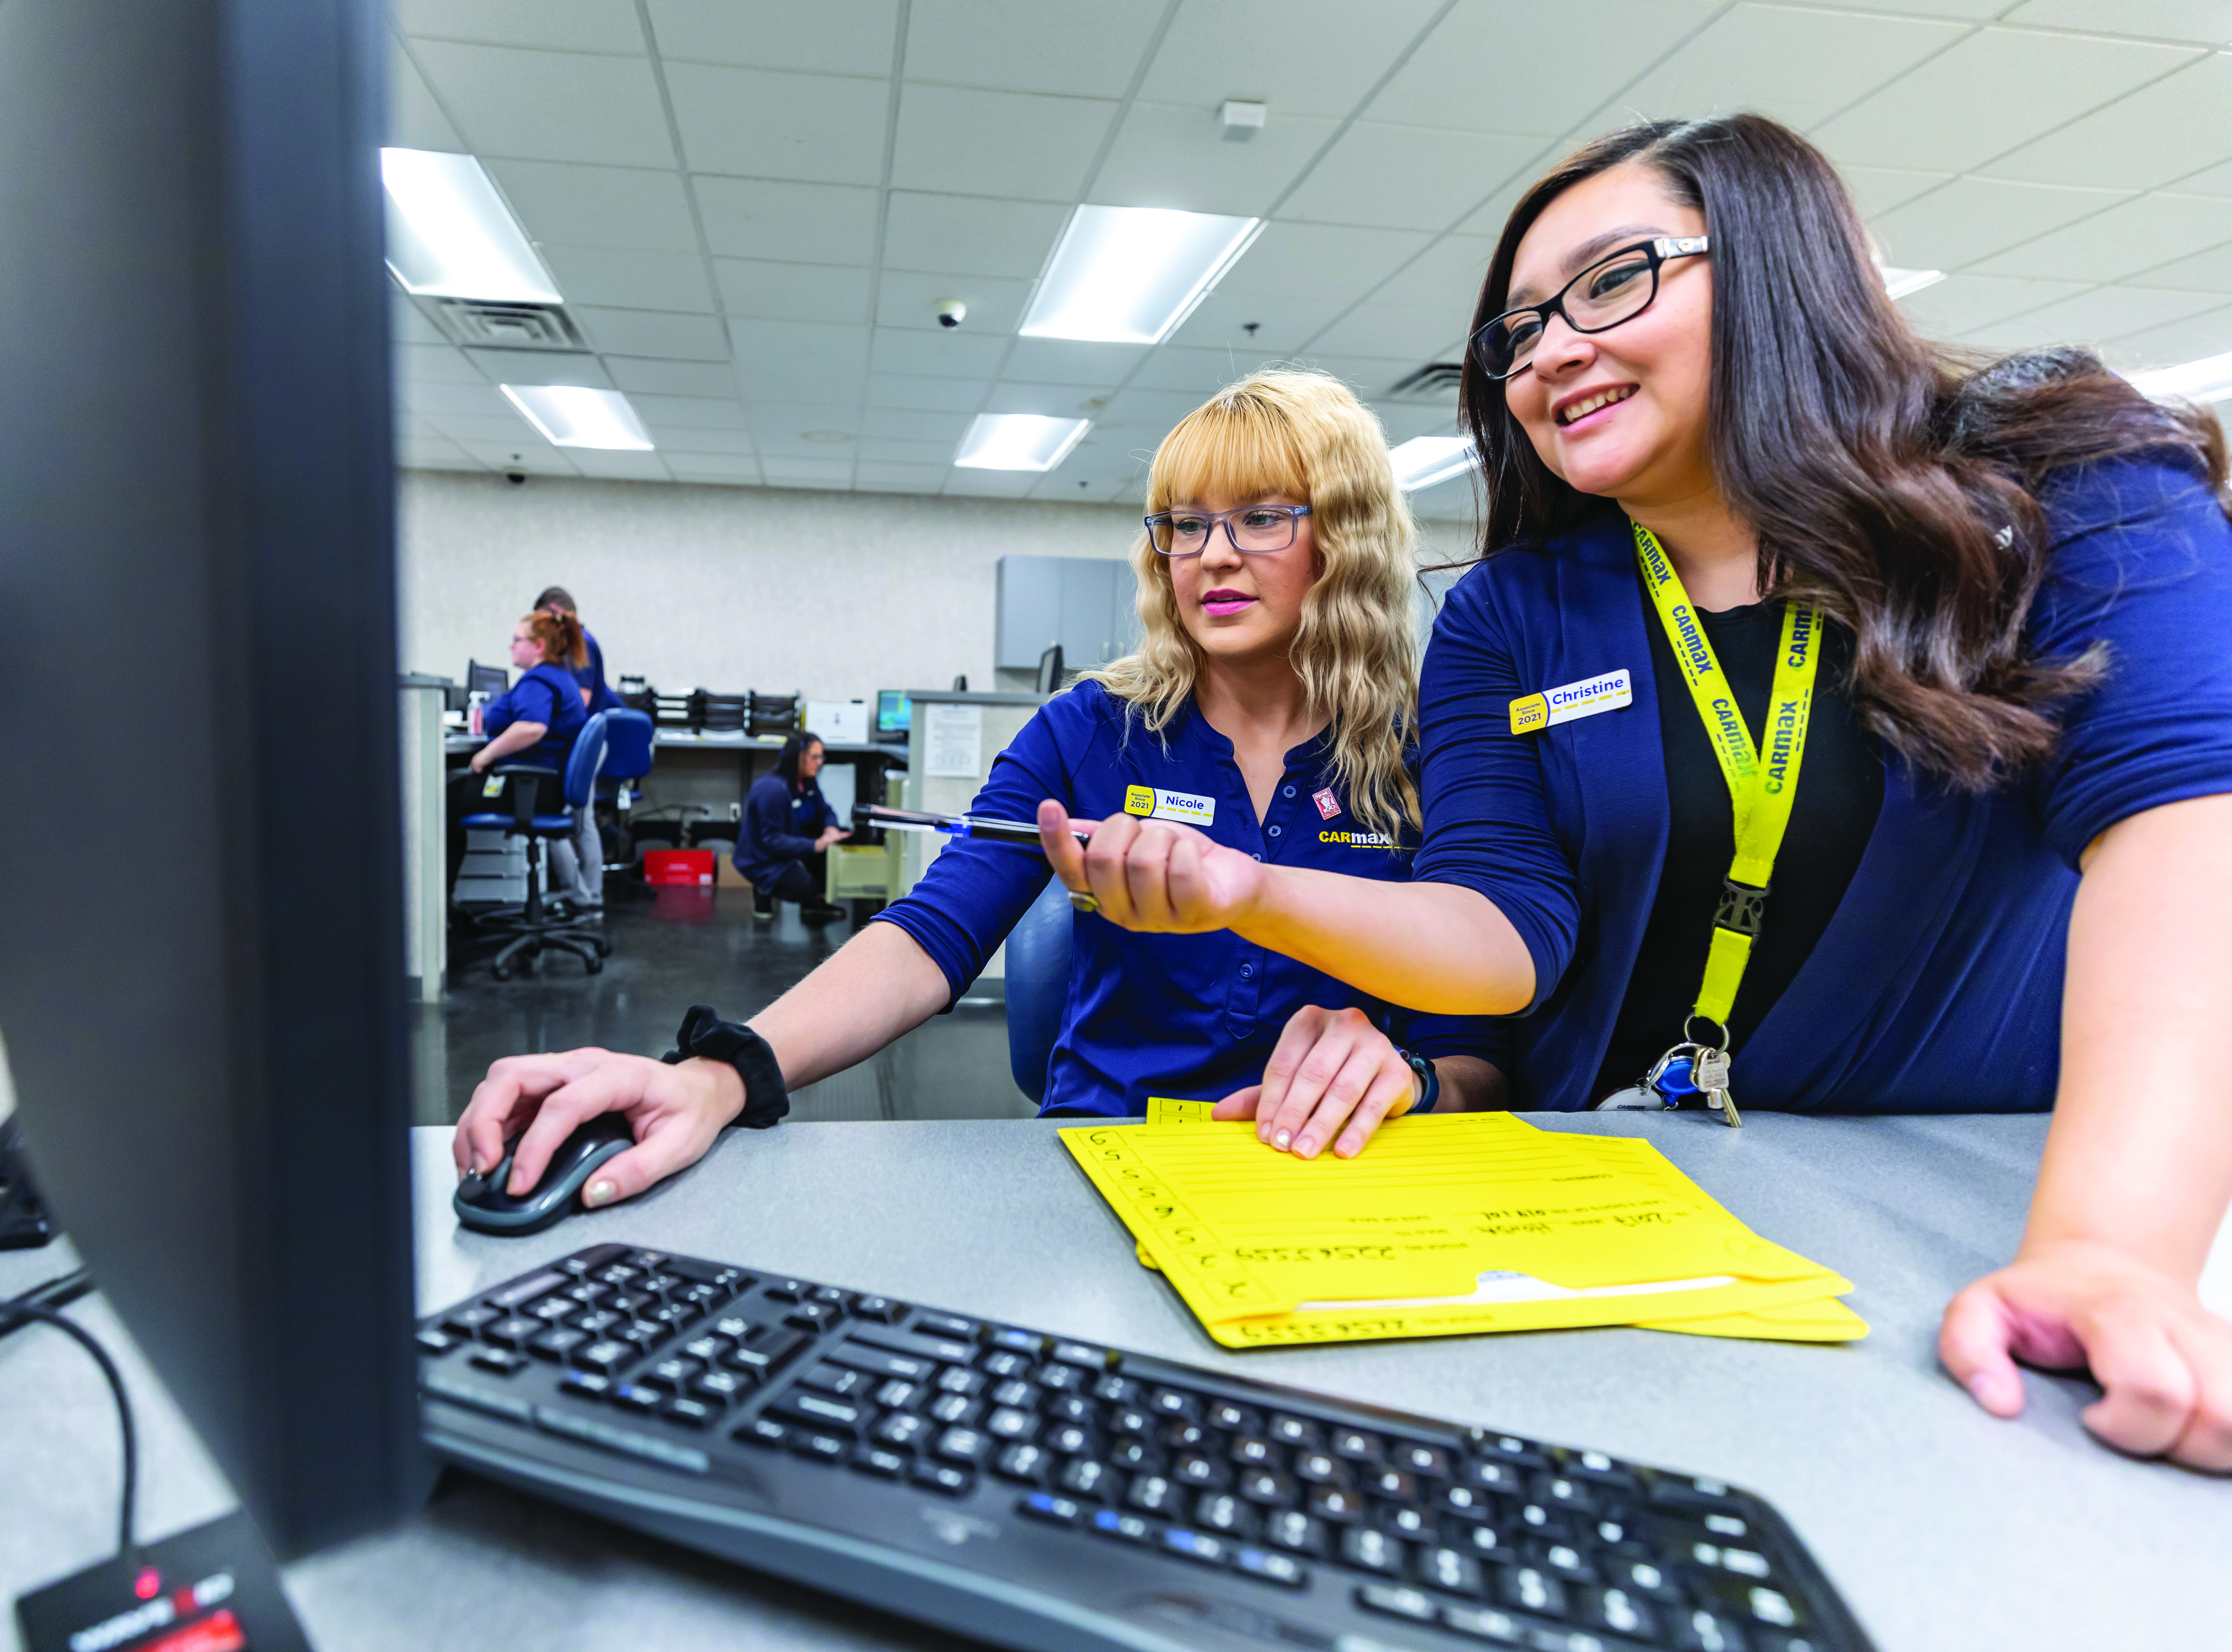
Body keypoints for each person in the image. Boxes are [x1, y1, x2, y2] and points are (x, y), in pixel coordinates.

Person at [1041, 117, 2232, 1472]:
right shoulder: (1511, 610)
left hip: (1964, 1220)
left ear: (1786, 268)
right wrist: (1254, 894)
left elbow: (2185, 822)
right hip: (1600, 1215)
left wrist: (2111, 1253)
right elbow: (1499, 930)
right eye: (1519, 327)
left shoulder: (2057, 484)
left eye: (1611, 282)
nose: (1548, 350)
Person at [454, 370, 1494, 1209]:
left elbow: (1495, 1038)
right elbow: (928, 936)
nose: (1211, 557)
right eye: (1184, 524)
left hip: (1346, 1178)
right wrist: (720, 1074)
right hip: (1109, 1163)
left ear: (1345, 540)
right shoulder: (1094, 729)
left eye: (1262, 518)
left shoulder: (1432, 748)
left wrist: (1416, 1076)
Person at [468, 608, 597, 908]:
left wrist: (484, 756)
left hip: (531, 789)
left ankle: (445, 911)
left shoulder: (537, 682)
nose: (511, 645)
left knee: (445, 801)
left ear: (539, 646)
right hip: (545, 788)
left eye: (516, 639)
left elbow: (532, 728)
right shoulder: (560, 678)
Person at [535, 586, 619, 911]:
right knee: (582, 822)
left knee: (567, 821)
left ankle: (582, 896)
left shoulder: (578, 646)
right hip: (586, 743)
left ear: (554, 613)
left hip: (580, 745)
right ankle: (589, 895)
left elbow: (580, 701)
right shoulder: (584, 643)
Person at [738, 732, 850, 925]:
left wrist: (831, 829)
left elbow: (825, 811)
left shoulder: (807, 781)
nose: (820, 762)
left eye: (821, 757)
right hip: (766, 858)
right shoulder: (771, 789)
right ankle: (764, 890)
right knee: (804, 887)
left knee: (835, 838)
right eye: (815, 757)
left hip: (793, 842)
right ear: (797, 757)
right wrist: (815, 845)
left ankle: (814, 902)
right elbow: (773, 840)